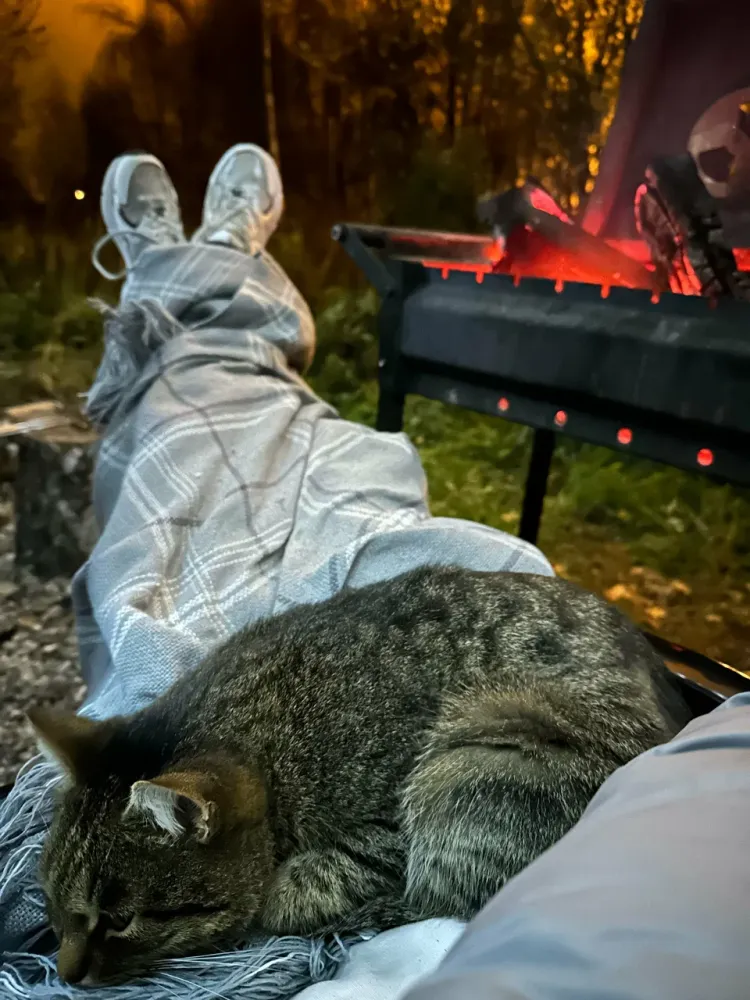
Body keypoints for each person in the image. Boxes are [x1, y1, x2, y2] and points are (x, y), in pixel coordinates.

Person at [2, 145, 749, 1000]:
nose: (71, 969)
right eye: (80, 924)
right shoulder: (239, 714)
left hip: (553, 737)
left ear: (202, 817)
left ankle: (180, 282)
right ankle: (211, 279)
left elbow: (374, 853)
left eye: (106, 927)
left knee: (369, 855)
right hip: (490, 666)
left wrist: (282, 900)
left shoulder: (279, 787)